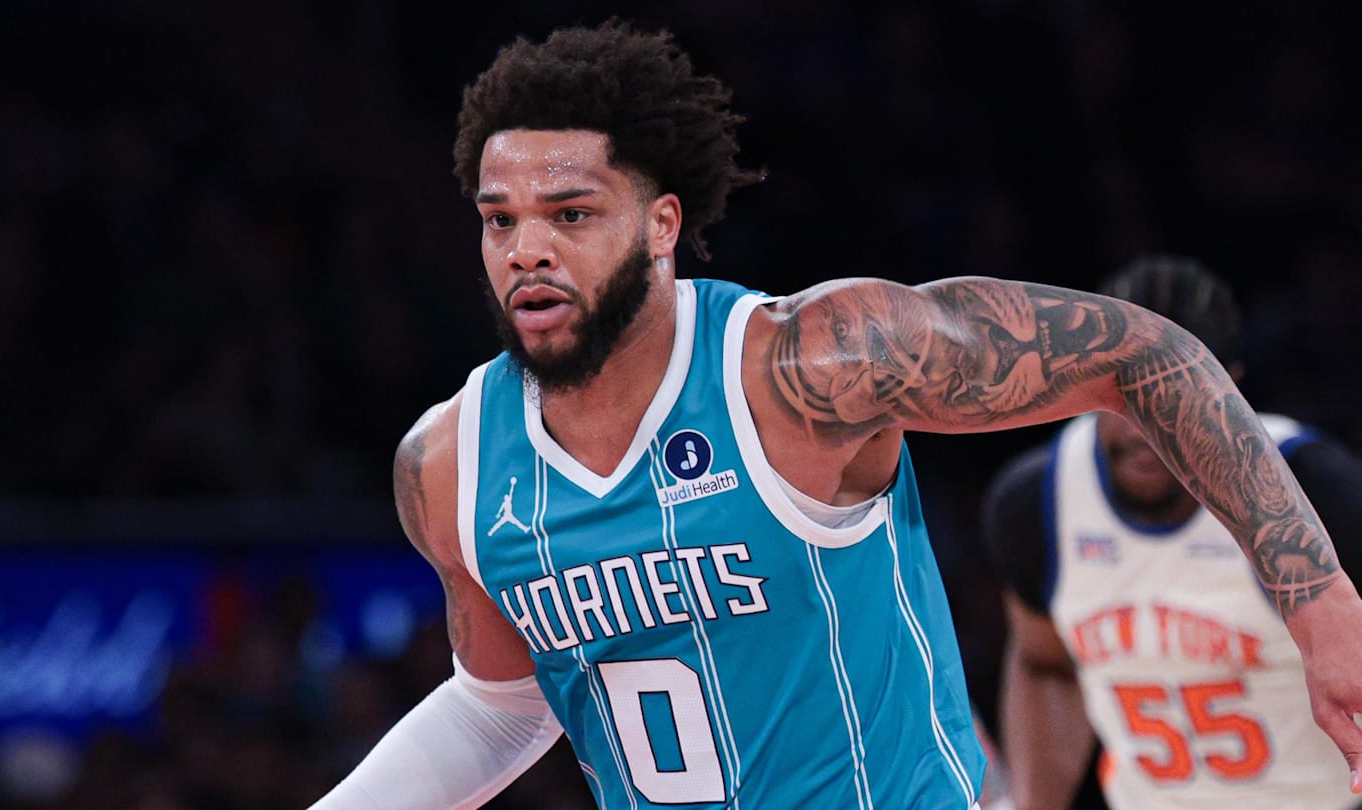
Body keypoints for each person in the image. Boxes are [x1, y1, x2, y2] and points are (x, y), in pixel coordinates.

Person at [309, 19, 1362, 810]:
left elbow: (1145, 356)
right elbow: (500, 704)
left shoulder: (810, 366)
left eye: (570, 214)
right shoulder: (450, 464)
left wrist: (1318, 605)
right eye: (501, 221)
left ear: (662, 223)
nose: (526, 249)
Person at [981, 255, 1362, 810]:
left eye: (1172, 402)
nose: (1147, 429)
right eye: (1123, 396)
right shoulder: (1036, 499)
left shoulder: (1314, 488)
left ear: (1229, 394)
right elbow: (1046, 665)